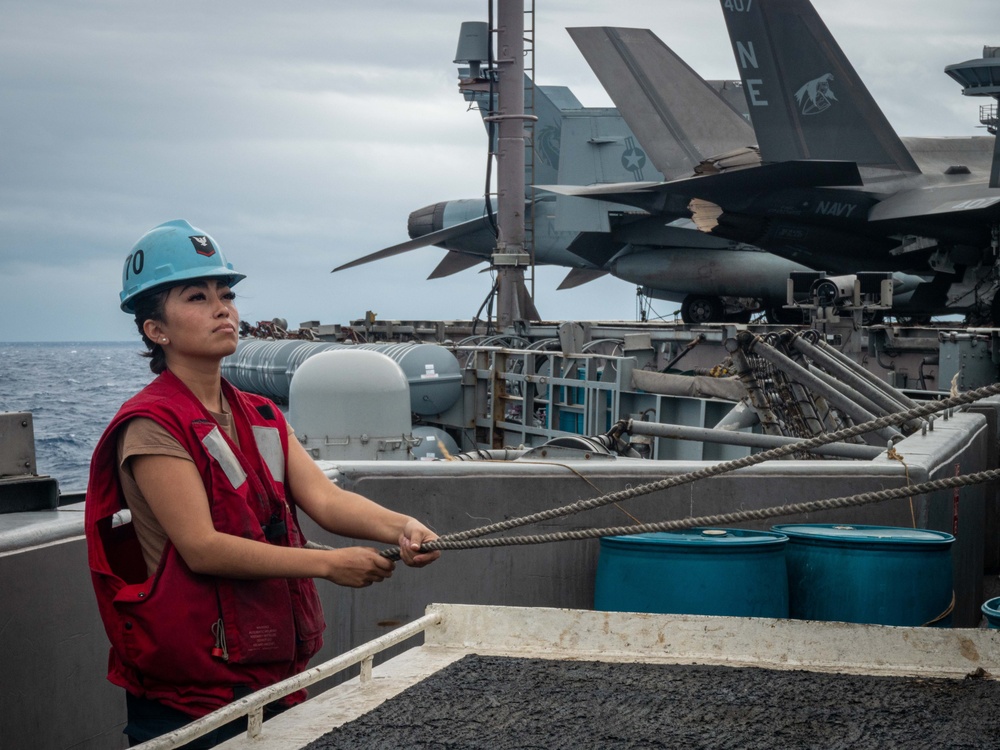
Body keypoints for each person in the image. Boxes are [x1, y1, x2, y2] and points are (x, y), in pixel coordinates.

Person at [85, 219, 440, 748]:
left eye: (226, 294)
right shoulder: (153, 426)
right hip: (193, 703)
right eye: (197, 297)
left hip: (273, 678)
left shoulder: (261, 414)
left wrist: (401, 527)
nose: (222, 308)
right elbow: (202, 548)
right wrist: (329, 564)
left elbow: (325, 499)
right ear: (155, 330)